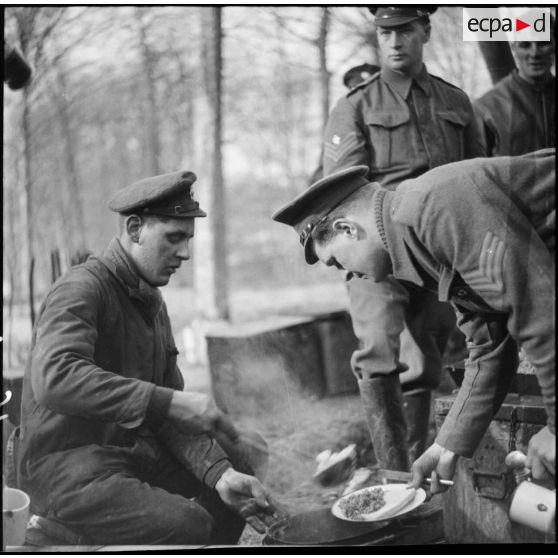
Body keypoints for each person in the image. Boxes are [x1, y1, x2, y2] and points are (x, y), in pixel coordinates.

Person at [15, 170, 276, 545]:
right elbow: (55, 379)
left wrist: (221, 474)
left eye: (187, 239)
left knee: (244, 456)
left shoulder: (152, 304)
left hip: (127, 455)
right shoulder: (80, 289)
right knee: (188, 523)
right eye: (173, 237)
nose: (184, 253)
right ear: (135, 229)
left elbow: (172, 418)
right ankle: (63, 534)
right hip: (66, 468)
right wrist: (163, 400)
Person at [272, 148, 555, 491]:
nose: (348, 274)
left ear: (347, 229)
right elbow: (489, 347)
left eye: (336, 262)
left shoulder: (434, 207)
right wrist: (447, 444)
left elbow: (541, 311)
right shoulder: (418, 239)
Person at [320, 6, 485, 470]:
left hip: (439, 260)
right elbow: (341, 193)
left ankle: (415, 473)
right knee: (377, 351)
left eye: (405, 30)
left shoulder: (458, 104)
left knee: (426, 363)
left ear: (425, 31)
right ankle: (393, 473)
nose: (394, 42)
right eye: (385, 32)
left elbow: (477, 180)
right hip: (377, 255)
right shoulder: (355, 106)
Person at [474, 26, 555, 157]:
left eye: (543, 43)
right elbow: (477, 171)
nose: (534, 53)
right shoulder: (487, 107)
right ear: (514, 49)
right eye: (525, 45)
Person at [308, 63, 380, 185]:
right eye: (355, 90)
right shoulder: (343, 118)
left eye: (368, 90)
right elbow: (327, 164)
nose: (362, 96)